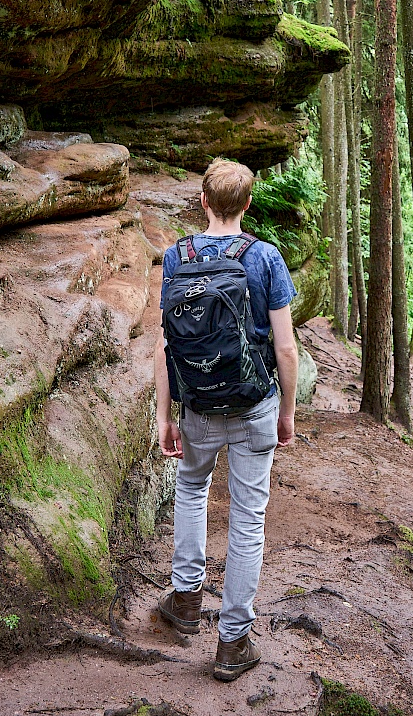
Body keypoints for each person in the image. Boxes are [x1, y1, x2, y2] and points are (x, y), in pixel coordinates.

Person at [154, 158, 299, 681]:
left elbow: (166, 344)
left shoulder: (177, 256)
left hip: (197, 406)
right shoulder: (265, 258)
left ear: (202, 201)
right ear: (248, 204)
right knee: (247, 520)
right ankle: (233, 641)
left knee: (191, 488)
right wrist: (286, 412)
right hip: (254, 405)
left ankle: (187, 601)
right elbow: (285, 348)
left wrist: (164, 415)